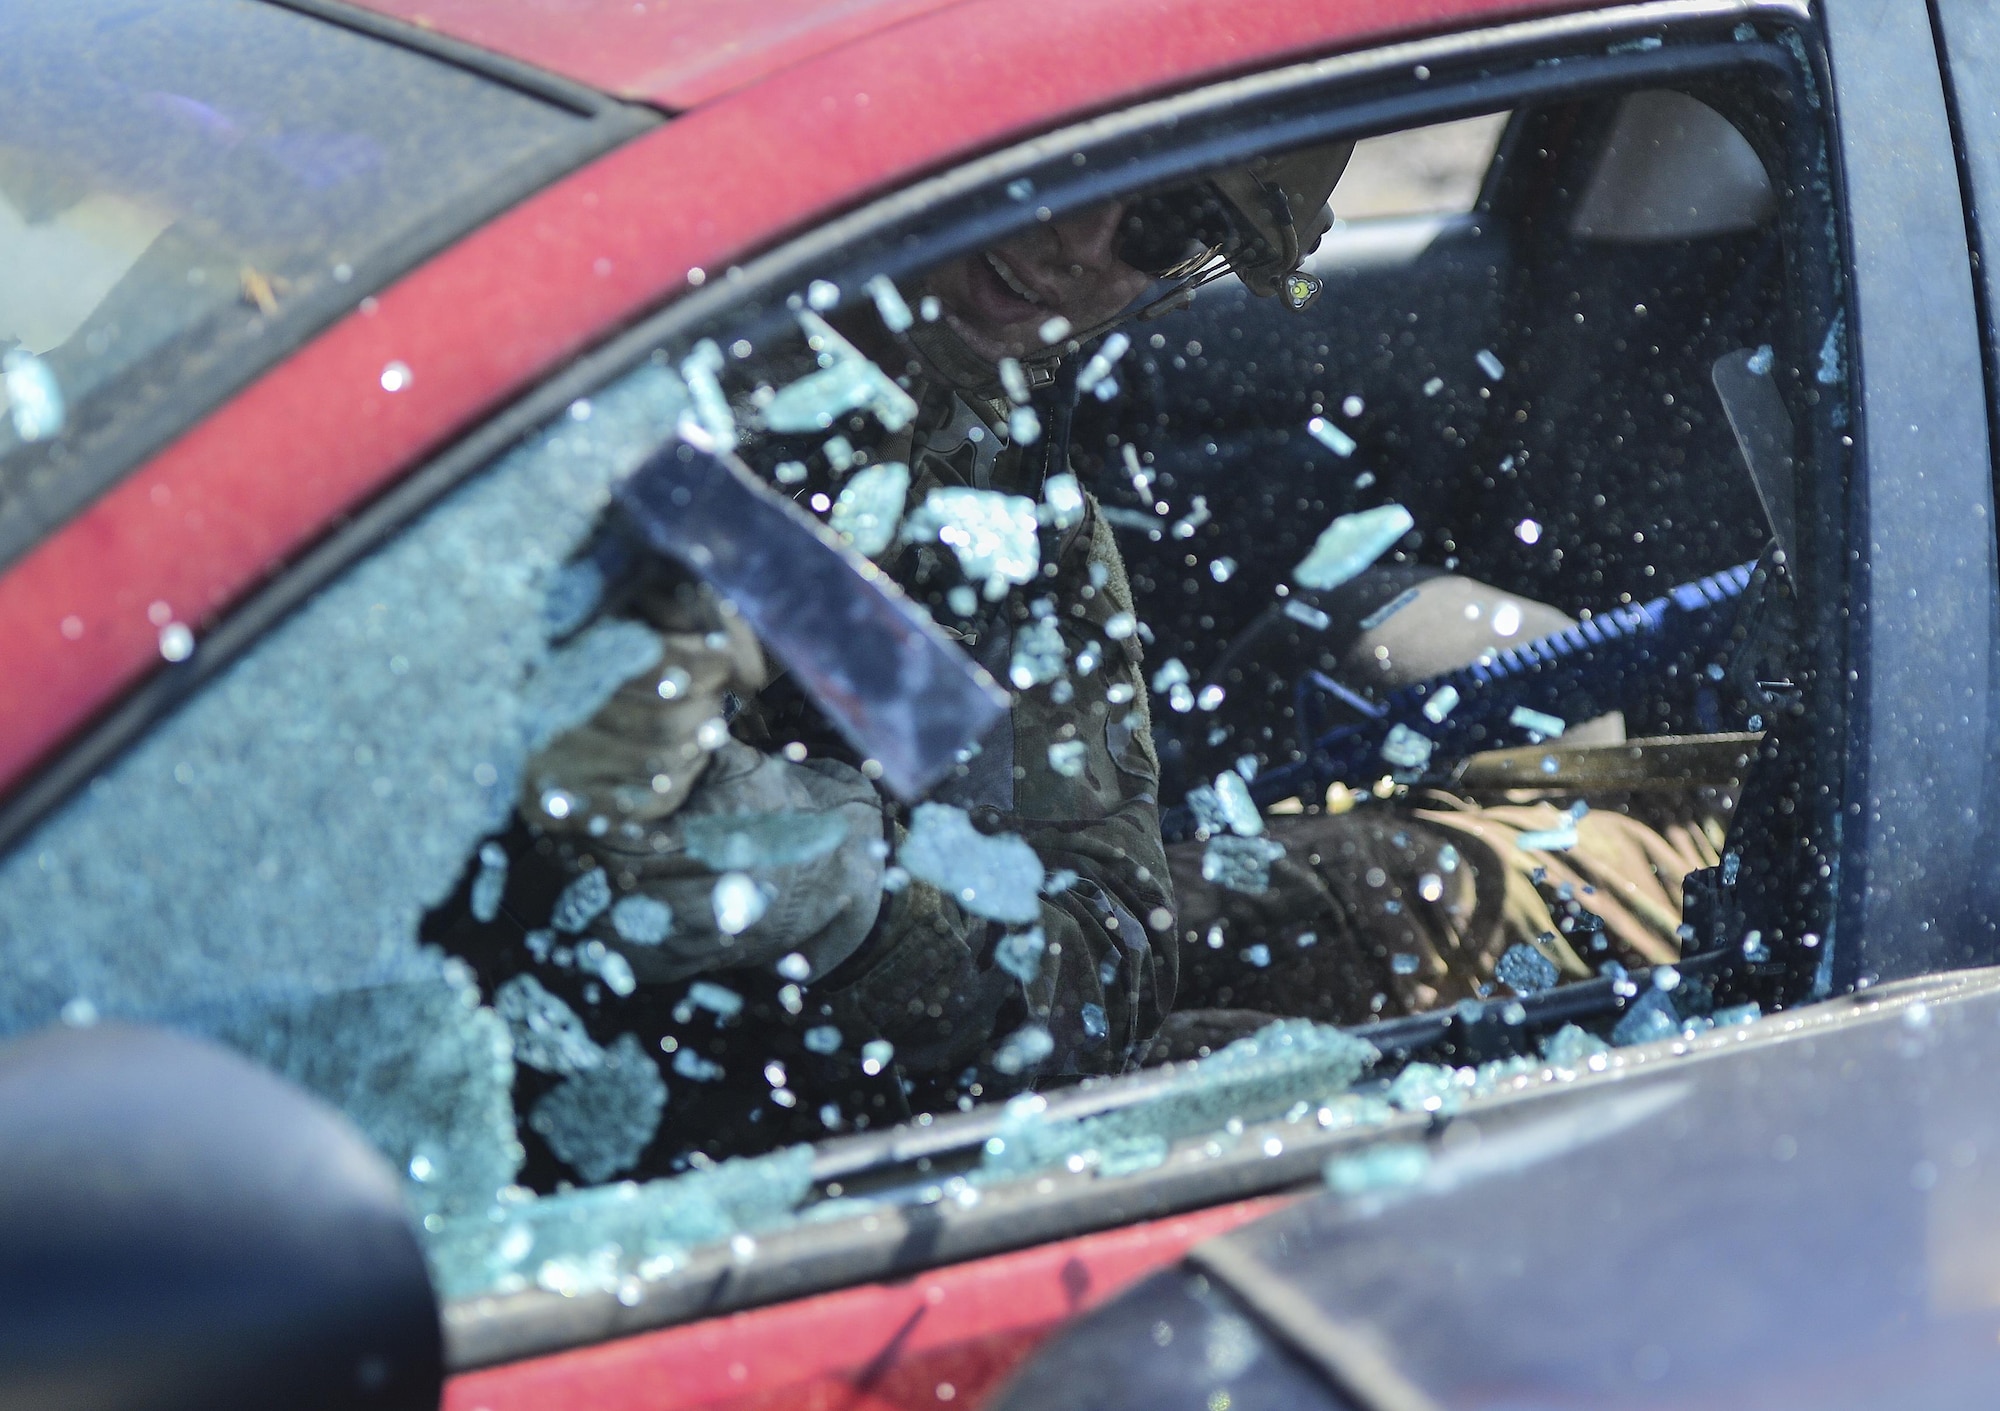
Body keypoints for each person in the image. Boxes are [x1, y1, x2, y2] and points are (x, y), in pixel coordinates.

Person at [432, 139, 1709, 1182]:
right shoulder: (650, 318)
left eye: (1161, 221)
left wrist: (816, 884)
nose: (1079, 242)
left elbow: (1104, 965)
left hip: (753, 1142)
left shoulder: (1021, 522)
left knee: (1291, 1084)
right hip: (440, 1071)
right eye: (1074, 162)